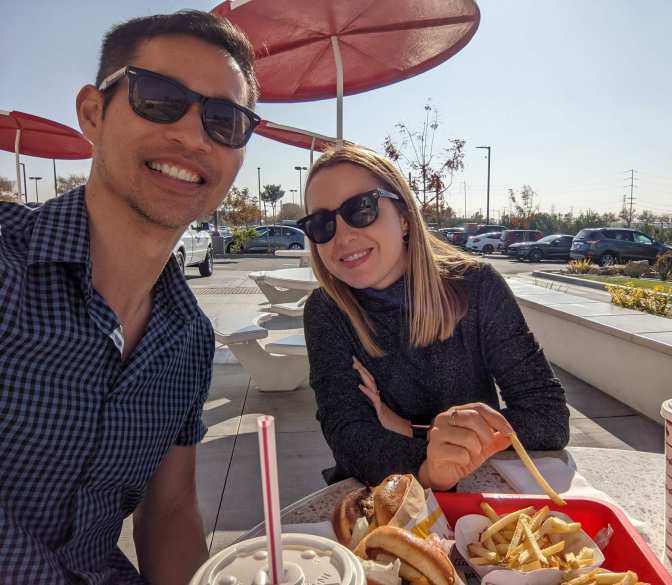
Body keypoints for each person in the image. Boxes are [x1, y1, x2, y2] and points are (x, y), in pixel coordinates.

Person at [0, 11, 260, 584]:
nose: (193, 136)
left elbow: (168, 513)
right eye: (160, 98)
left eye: (226, 121)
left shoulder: (189, 338)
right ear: (93, 113)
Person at [300, 145, 570, 492]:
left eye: (361, 209)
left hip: (480, 502)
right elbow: (349, 436)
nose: (342, 236)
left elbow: (548, 417)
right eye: (321, 224)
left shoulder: (476, 287)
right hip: (382, 501)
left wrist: (412, 431)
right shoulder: (327, 310)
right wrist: (429, 467)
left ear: (404, 216)